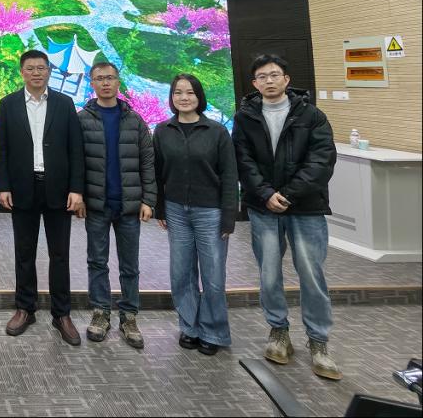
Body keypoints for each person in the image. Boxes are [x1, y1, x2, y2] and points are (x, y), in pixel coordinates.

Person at [233, 54, 341, 380]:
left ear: (286, 79)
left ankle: (319, 341)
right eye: (262, 76)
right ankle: (278, 331)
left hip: (305, 208)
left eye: (274, 74)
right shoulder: (245, 117)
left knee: (311, 274)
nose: (269, 80)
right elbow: (243, 160)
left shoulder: (312, 115)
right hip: (263, 207)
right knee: (268, 274)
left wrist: (289, 194)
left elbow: (321, 161)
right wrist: (266, 194)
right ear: (254, 83)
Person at [0, 50, 84, 345]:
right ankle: (25, 309)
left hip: (58, 189)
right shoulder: (8, 104)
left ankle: (62, 313)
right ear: (22, 72)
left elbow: (75, 149)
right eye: (30, 68)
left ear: (49, 71)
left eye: (41, 68)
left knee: (60, 254)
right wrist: (3, 186)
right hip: (23, 188)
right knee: (24, 252)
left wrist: (76, 189)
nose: (36, 73)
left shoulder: (64, 103)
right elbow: (2, 148)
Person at [153, 73, 237, 355]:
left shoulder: (216, 131)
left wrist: (229, 215)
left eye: (190, 92)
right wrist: (160, 207)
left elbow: (230, 175)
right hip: (176, 210)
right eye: (178, 92)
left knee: (213, 277)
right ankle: (190, 327)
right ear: (172, 97)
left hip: (210, 211)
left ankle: (213, 332)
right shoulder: (162, 130)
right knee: (181, 273)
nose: (184, 98)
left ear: (199, 96)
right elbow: (158, 173)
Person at [78, 61, 156, 350]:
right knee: (97, 262)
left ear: (118, 81)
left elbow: (147, 162)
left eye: (110, 78)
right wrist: (79, 196)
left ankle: (129, 315)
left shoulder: (134, 120)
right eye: (100, 78)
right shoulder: (81, 120)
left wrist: (149, 200)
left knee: (129, 265)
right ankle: (101, 312)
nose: (106, 83)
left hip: (129, 207)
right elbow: (76, 163)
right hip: (96, 205)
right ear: (92, 83)